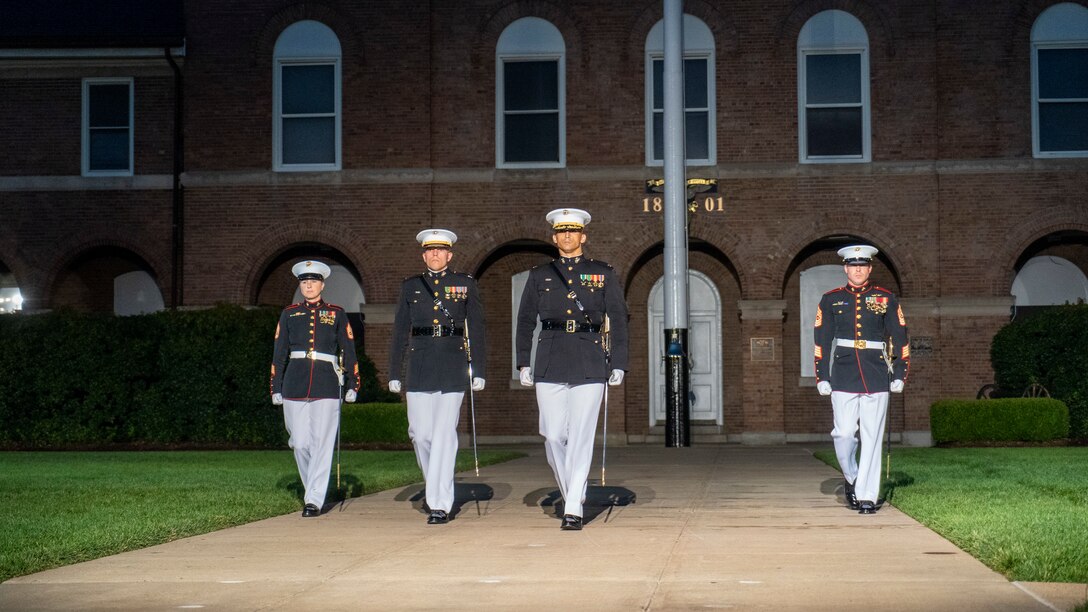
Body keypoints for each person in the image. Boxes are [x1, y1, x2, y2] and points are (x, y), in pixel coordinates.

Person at [515, 208, 629, 531]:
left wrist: (618, 362)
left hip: (589, 358)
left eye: (573, 231)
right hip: (550, 357)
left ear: (583, 236)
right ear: (554, 237)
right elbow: (525, 320)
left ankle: (573, 507)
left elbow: (618, 319)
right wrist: (523, 360)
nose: (567, 236)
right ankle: (572, 494)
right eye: (561, 231)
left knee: (580, 436)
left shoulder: (602, 273)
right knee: (553, 435)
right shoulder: (540, 275)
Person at [388, 229, 487, 525]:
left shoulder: (465, 284)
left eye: (440, 250)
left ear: (449, 255)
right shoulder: (411, 287)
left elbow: (478, 330)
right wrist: (395, 371)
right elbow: (398, 332)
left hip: (452, 365)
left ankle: (440, 502)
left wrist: (478, 369)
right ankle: (436, 485)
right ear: (423, 255)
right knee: (420, 435)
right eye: (429, 250)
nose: (434, 255)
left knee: (444, 435)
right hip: (419, 366)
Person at [813, 245, 909, 514]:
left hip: (877, 373)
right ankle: (853, 476)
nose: (857, 269)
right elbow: (821, 341)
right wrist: (822, 375)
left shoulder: (885, 298)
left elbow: (901, 339)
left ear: (869, 268)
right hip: (843, 373)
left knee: (872, 437)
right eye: (853, 265)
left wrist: (900, 373)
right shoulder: (830, 300)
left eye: (862, 265)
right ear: (845, 268)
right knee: (843, 433)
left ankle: (867, 495)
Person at [270, 260, 360, 517]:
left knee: (322, 442)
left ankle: (314, 499)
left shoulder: (336, 313)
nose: (308, 285)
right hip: (294, 382)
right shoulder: (289, 313)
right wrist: (275, 386)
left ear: (322, 284)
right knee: (299, 442)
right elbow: (279, 353)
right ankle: (313, 487)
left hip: (327, 382)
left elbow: (349, 351)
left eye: (313, 281)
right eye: (304, 281)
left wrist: (353, 383)